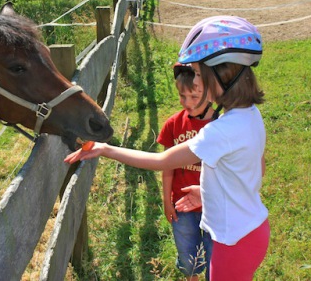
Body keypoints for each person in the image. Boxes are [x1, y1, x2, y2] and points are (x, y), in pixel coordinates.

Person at [65, 16, 270, 281]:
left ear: (221, 74)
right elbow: (256, 169)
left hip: (232, 241)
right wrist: (210, 193)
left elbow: (162, 161)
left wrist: (106, 149)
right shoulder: (250, 115)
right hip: (251, 231)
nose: (195, 82)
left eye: (198, 73)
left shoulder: (220, 131)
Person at [159, 62, 214, 280]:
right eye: (183, 96)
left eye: (194, 96)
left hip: (213, 204)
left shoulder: (221, 126)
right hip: (182, 205)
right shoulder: (173, 125)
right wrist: (167, 201)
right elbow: (166, 166)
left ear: (210, 92)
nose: (187, 103)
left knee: (214, 252)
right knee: (187, 251)